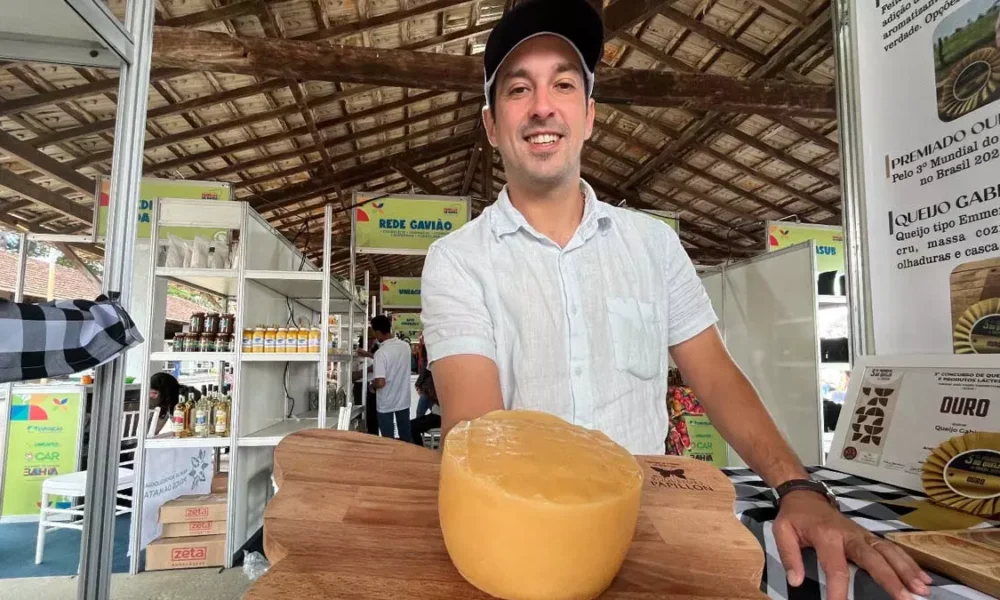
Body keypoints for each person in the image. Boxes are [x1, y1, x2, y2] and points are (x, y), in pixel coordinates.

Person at [419, 2, 931, 599]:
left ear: (588, 116)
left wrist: (799, 489)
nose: (541, 106)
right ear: (490, 124)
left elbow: (714, 375)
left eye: (563, 84)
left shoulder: (653, 245)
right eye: (517, 89)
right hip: (523, 542)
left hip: (653, 533)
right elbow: (483, 434)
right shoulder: (458, 260)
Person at [365, 315, 412, 443]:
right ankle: (409, 461)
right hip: (403, 400)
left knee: (388, 442)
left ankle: (392, 463)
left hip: (385, 403)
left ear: (378, 332)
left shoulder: (381, 353)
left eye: (374, 332)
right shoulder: (405, 347)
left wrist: (371, 385)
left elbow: (380, 382)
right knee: (406, 437)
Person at [409, 372, 441, 448]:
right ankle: (418, 447)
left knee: (413, 427)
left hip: (439, 417)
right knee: (409, 425)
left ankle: (419, 449)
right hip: (435, 414)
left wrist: (429, 393)